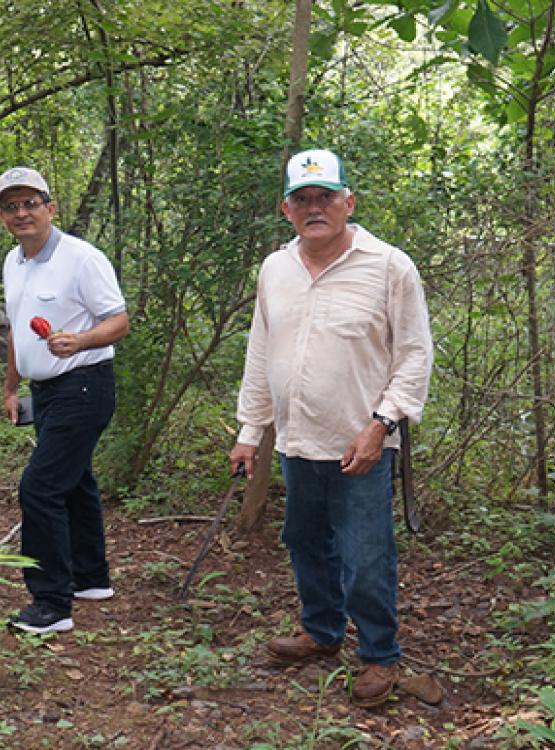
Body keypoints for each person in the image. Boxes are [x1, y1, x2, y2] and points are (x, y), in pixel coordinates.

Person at [229, 149, 433, 707]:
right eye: (303, 200)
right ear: (287, 209)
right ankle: (321, 633)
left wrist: (381, 423)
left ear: (349, 202)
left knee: (367, 552)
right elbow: (260, 350)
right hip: (297, 438)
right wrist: (251, 429)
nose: (315, 208)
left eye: (326, 197)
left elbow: (415, 355)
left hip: (361, 441)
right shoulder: (276, 268)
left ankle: (379, 655)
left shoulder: (390, 266)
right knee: (304, 541)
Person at [0, 166, 130, 634]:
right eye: (11, 206)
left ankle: (51, 603)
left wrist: (82, 340)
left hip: (85, 384)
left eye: (31, 203)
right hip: (45, 392)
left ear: (51, 209)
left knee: (40, 487)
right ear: (2, 217)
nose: (22, 213)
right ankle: (90, 579)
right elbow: (16, 329)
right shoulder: (14, 263)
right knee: (73, 481)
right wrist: (12, 387)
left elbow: (119, 321)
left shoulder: (81, 258)